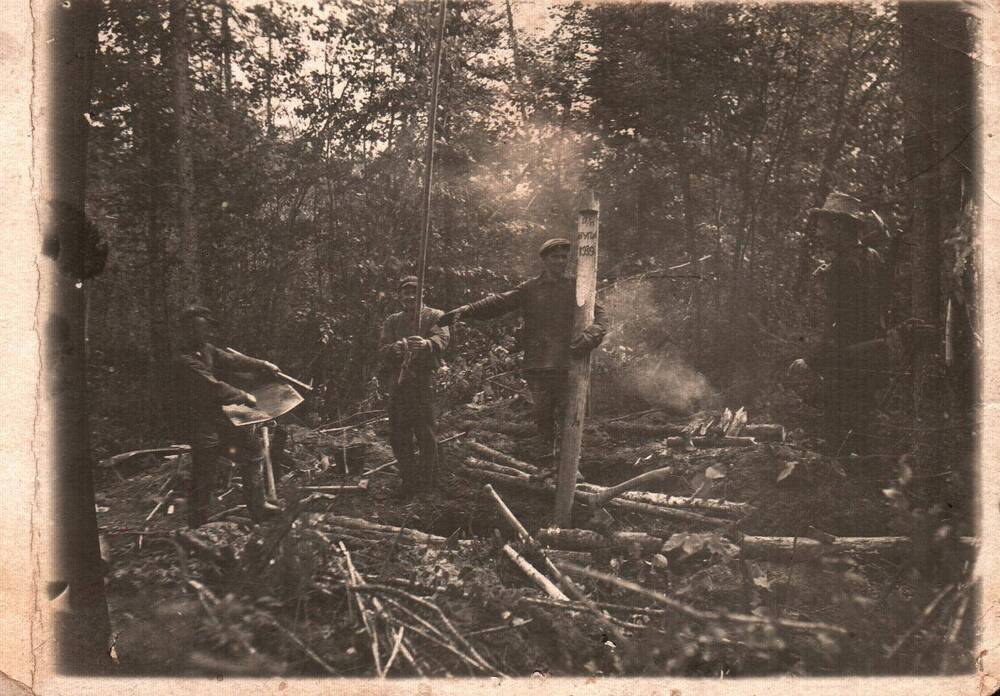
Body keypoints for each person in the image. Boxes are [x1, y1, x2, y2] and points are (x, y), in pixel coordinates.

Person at [437, 238, 608, 463]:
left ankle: (570, 467)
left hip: (569, 363)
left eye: (564, 257)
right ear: (544, 260)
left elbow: (602, 317)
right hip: (538, 365)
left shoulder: (577, 287)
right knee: (543, 417)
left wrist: (591, 335)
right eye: (554, 257)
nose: (560, 261)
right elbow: (498, 303)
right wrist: (466, 310)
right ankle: (547, 465)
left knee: (571, 417)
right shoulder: (530, 288)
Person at [788, 193, 887, 453]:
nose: (820, 233)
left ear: (839, 227)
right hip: (874, 357)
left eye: (823, 227)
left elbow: (836, 324)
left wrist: (810, 361)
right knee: (865, 432)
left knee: (838, 440)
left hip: (846, 363)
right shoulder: (873, 257)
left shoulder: (841, 268)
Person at [175, 305, 281, 526]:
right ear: (188, 330)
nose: (206, 334)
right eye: (200, 329)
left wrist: (263, 365)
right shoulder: (183, 358)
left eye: (206, 329)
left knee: (252, 450)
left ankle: (258, 506)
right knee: (205, 472)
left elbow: (233, 361)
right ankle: (198, 524)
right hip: (196, 422)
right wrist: (244, 396)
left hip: (214, 417)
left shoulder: (207, 349)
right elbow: (212, 388)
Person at [377, 276, 451, 499]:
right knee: (399, 434)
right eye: (405, 292)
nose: (410, 296)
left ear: (422, 294)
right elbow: (382, 349)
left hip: (423, 383)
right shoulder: (392, 321)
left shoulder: (435, 316)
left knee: (425, 433)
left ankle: (428, 485)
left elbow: (443, 339)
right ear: (399, 296)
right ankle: (408, 482)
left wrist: (427, 344)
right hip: (399, 384)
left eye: (414, 292)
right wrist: (396, 349)